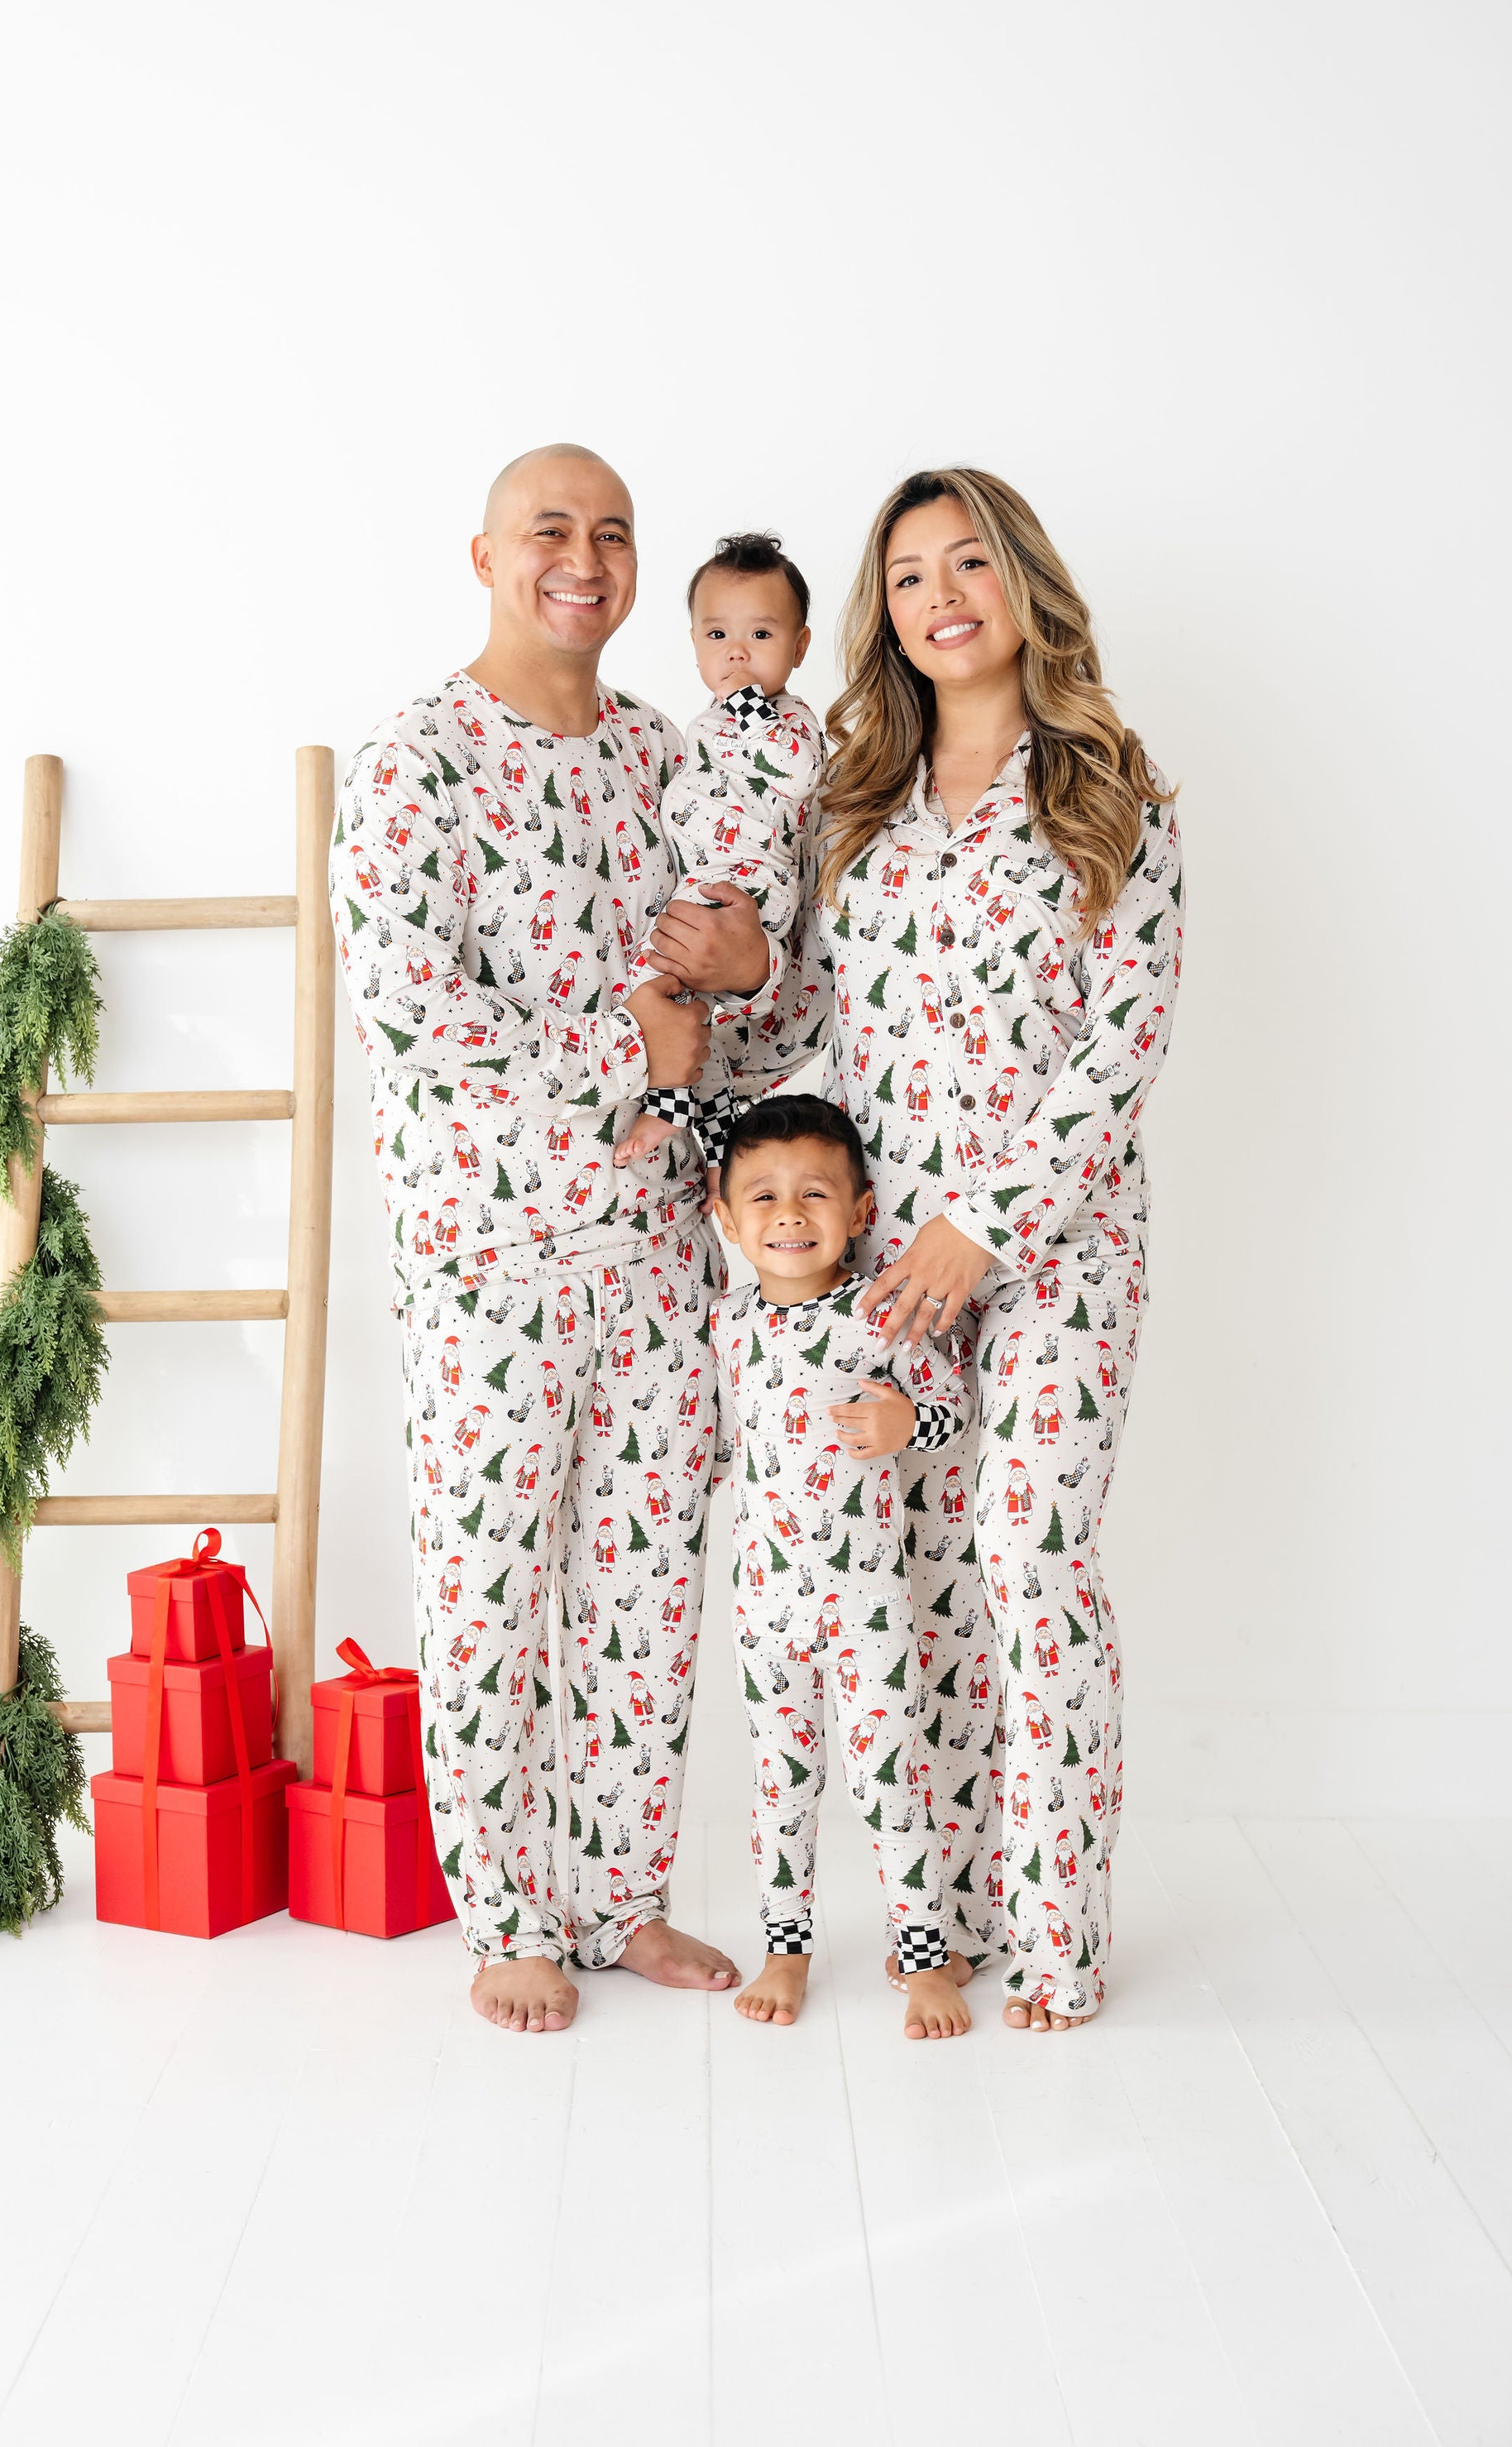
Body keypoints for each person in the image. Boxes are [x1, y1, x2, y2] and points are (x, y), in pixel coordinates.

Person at [330, 443, 780, 2033]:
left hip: (662, 1253)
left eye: (610, 533)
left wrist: (749, 965)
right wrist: (628, 1052)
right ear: (480, 555)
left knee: (647, 1576)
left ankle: (621, 1895)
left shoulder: (670, 758)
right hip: (490, 1260)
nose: (581, 559)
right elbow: (414, 1017)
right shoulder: (413, 763)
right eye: (547, 531)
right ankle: (508, 1914)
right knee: (492, 1582)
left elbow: (736, 1009)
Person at [812, 467, 1184, 2033]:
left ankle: (1054, 1932)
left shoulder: (1112, 792)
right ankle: (931, 1921)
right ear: (882, 613)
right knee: (913, 1591)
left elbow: (1122, 1041)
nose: (940, 593)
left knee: (1031, 1565)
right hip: (886, 1263)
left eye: (968, 561)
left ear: (1022, 582)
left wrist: (985, 1221)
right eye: (907, 575)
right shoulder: (854, 804)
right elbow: (820, 1028)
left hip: (1057, 1252)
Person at [707, 1094, 974, 2037]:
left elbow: (954, 1412)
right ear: (725, 1214)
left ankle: (927, 1958)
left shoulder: (878, 1314)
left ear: (859, 1211)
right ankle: (786, 1951)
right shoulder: (725, 1327)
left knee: (891, 1780)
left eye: (814, 1194)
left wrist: (909, 1422)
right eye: (764, 1197)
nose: (789, 1215)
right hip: (765, 1605)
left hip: (865, 1606)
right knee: (780, 1784)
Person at [615, 532, 826, 1168]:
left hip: (751, 885)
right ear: (694, 644)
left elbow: (797, 771)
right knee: (682, 1007)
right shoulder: (703, 722)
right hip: (706, 879)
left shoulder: (788, 719)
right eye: (716, 636)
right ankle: (715, 1122)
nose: (736, 652)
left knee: (657, 987)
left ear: (799, 646)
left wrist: (749, 707)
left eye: (760, 636)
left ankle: (669, 1104)